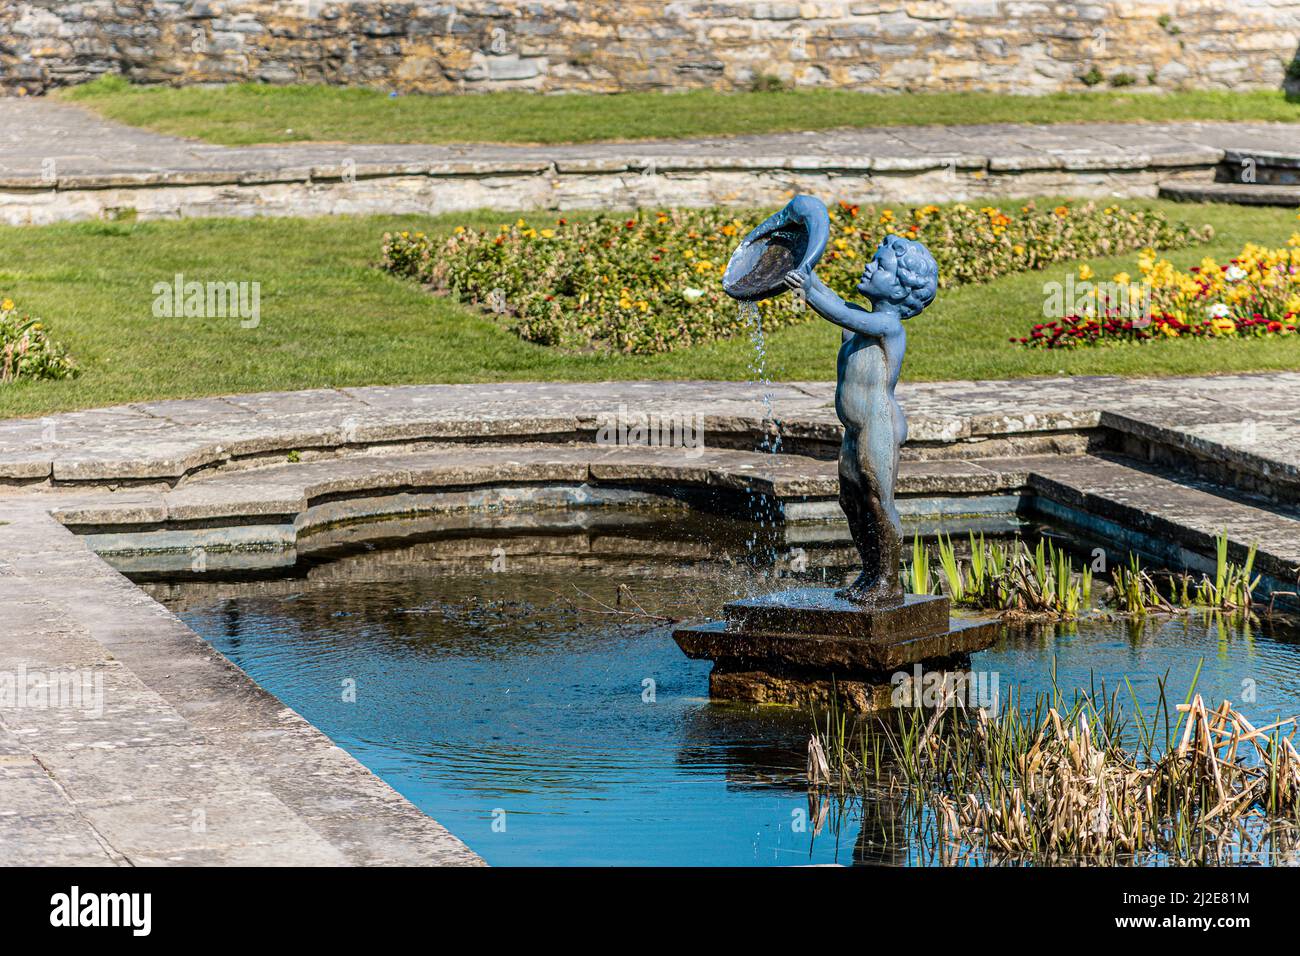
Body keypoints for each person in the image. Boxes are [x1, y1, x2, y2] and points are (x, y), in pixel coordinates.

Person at [783, 233, 939, 605]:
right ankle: (869, 573)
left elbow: (838, 311)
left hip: (878, 427)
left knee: (878, 501)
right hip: (854, 431)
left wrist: (810, 291)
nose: (869, 265)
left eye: (880, 265)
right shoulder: (862, 323)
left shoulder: (888, 326)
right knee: (850, 501)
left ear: (902, 289)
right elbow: (838, 304)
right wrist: (805, 273)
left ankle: (889, 581)